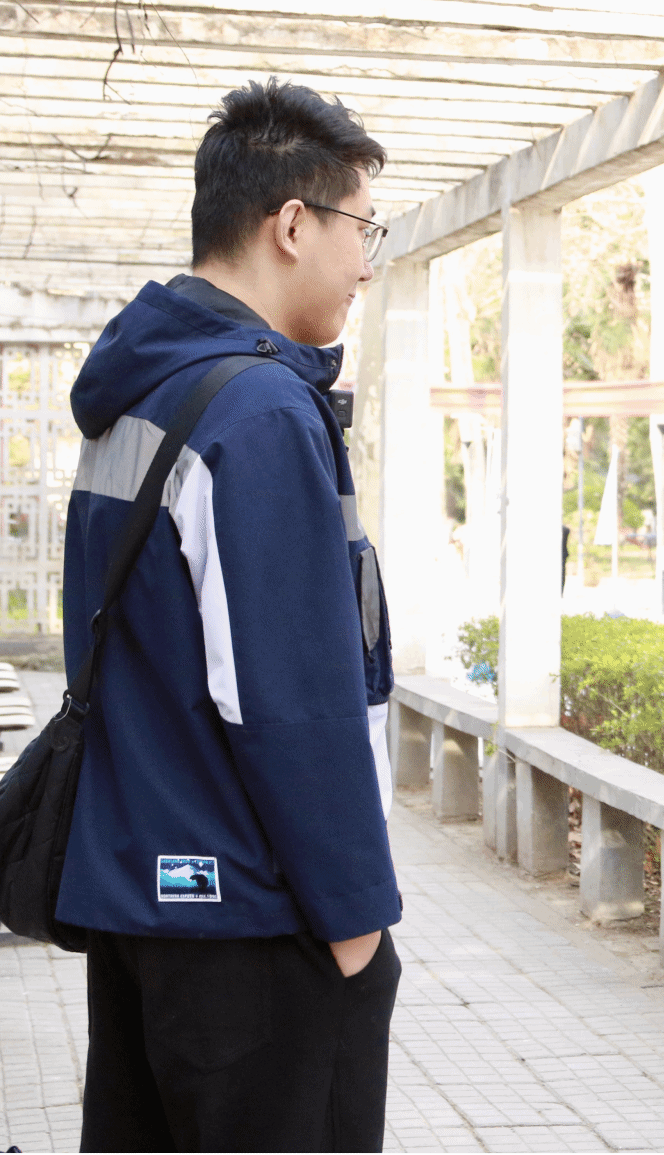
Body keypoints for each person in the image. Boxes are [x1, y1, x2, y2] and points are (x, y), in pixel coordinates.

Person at [60, 79, 401, 1152]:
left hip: (140, 895)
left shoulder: (141, 390)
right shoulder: (256, 409)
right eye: (362, 228)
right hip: (258, 918)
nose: (366, 263)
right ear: (292, 224)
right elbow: (288, 695)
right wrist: (355, 919)